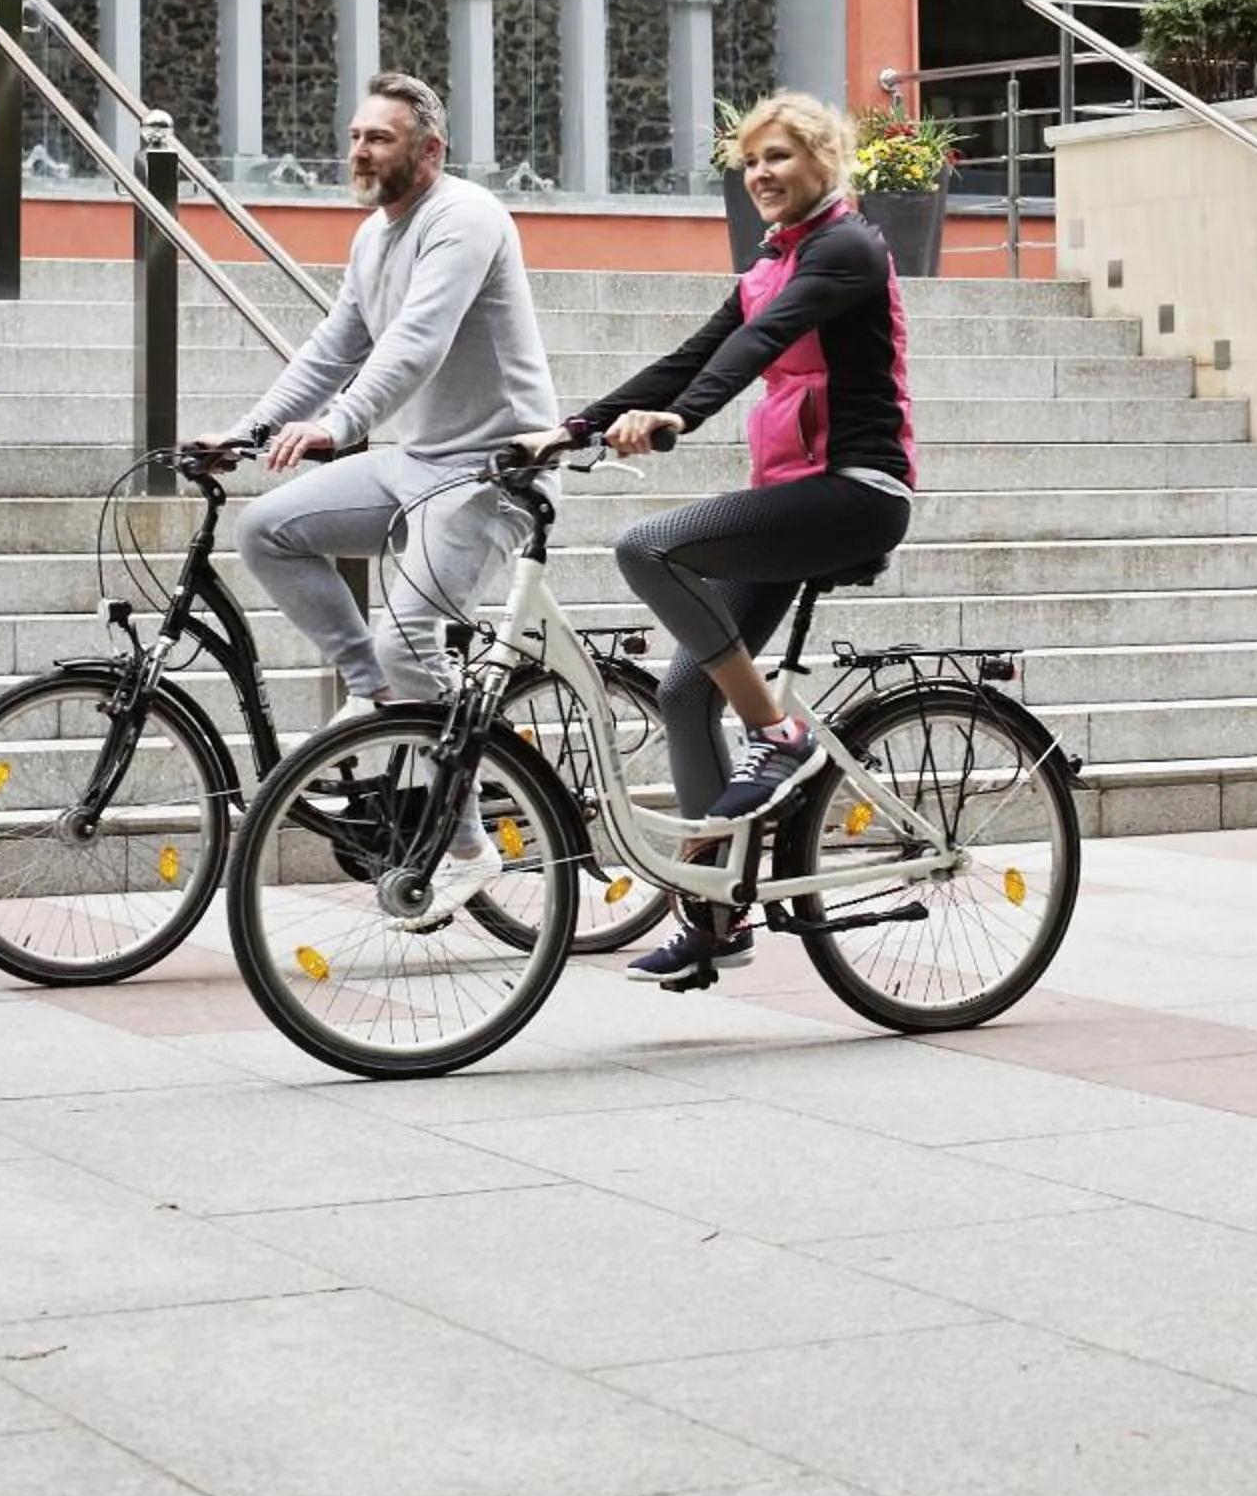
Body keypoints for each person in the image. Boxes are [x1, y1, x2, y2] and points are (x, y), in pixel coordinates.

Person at [560, 89, 917, 990]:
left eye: (780, 158)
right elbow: (694, 351)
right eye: (750, 161)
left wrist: (677, 420)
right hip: (794, 496)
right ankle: (718, 922)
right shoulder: (771, 260)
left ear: (824, 164)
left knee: (650, 548)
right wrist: (573, 427)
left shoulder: (844, 248)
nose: (760, 174)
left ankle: (777, 732)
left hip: (857, 493)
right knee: (683, 692)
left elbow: (755, 349)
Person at [211, 71, 558, 922]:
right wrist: (249, 433)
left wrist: (340, 425)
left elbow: (417, 344)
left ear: (429, 150)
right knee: (269, 529)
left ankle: (470, 847)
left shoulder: (465, 218)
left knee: (413, 640)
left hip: (494, 468)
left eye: (380, 138)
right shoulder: (375, 235)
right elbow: (336, 344)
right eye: (357, 135)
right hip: (418, 463)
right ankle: (386, 704)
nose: (359, 150)